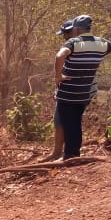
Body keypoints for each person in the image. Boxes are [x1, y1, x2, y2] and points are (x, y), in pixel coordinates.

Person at [52, 14, 111, 160]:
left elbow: (59, 56)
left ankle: (70, 156)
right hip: (84, 92)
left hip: (68, 92)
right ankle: (73, 154)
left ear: (76, 28)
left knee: (69, 123)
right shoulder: (101, 43)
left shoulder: (74, 42)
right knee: (75, 122)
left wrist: (58, 77)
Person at [45, 18, 74, 161]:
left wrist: (58, 79)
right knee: (60, 121)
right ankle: (58, 152)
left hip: (70, 92)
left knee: (63, 120)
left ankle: (63, 154)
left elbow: (61, 64)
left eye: (66, 33)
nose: (64, 36)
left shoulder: (72, 47)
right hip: (66, 90)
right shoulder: (73, 46)